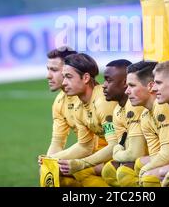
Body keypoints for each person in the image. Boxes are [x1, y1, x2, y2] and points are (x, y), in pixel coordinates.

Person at [48, 53, 118, 187]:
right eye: (63, 77)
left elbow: (114, 145)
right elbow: (85, 146)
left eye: (68, 77)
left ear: (85, 78)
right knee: (64, 172)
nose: (63, 83)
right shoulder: (78, 107)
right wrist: (51, 160)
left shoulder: (102, 101)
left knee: (107, 171)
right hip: (119, 154)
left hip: (137, 155)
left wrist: (82, 163)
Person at [124, 61, 169, 187]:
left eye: (132, 85)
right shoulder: (145, 115)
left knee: (148, 177)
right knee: (140, 168)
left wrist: (143, 172)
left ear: (150, 86)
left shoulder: (163, 107)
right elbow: (156, 154)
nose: (126, 91)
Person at [38, 46, 82, 187]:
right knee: (48, 170)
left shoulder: (88, 97)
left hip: (107, 159)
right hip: (89, 157)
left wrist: (53, 159)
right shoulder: (59, 102)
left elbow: (88, 146)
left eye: (54, 70)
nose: (48, 75)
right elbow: (57, 142)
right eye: (48, 69)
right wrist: (49, 162)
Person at [100, 59, 148, 187]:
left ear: (124, 83)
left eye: (108, 80)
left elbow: (134, 153)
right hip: (145, 158)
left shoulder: (134, 106)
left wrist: (82, 163)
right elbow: (122, 145)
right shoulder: (117, 110)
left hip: (157, 158)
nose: (103, 85)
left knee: (125, 172)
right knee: (110, 170)